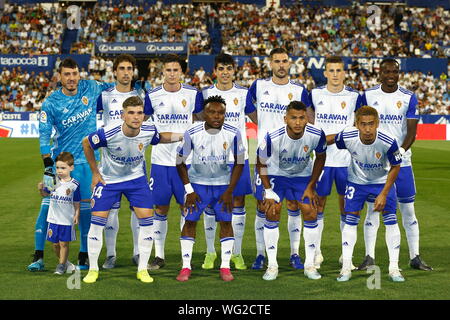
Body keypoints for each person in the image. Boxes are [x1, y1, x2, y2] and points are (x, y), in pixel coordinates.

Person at [81, 96, 183, 283]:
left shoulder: (148, 129)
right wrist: (95, 172)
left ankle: (142, 269)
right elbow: (86, 143)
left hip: (136, 180)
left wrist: (182, 136)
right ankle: (93, 269)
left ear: (144, 115)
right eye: (131, 113)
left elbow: (161, 138)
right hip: (109, 181)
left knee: (147, 222)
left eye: (139, 113)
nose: (136, 117)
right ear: (122, 115)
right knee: (97, 222)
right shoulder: (108, 133)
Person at [28, 57, 114, 272]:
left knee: (86, 210)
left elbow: (118, 87)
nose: (72, 78)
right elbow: (44, 135)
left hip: (87, 162)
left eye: (74, 74)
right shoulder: (51, 102)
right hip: (61, 164)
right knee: (47, 209)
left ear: (79, 74)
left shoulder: (91, 87)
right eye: (67, 74)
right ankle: (38, 256)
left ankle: (83, 255)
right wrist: (48, 166)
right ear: (60, 76)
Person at [358, 58, 432, 271]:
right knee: (373, 210)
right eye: (387, 71)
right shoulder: (368, 96)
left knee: (408, 211)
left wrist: (398, 153)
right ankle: (369, 257)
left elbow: (411, 132)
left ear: (399, 73)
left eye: (395, 71)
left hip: (402, 163)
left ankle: (415, 256)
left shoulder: (408, 97)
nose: (391, 75)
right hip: (374, 164)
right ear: (380, 72)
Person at [246, 47, 311, 270]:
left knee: (294, 205)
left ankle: (294, 253)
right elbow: (250, 111)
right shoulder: (259, 86)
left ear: (289, 63)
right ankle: (261, 254)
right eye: (277, 61)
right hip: (267, 158)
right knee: (263, 206)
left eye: (284, 61)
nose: (281, 65)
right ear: (270, 64)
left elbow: (307, 119)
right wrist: (266, 128)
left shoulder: (300, 90)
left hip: (293, 158)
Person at [327, 105, 404, 282]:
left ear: (377, 123)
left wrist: (384, 193)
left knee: (391, 220)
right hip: (357, 182)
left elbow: (396, 166)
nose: (367, 129)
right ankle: (346, 267)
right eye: (363, 124)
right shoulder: (348, 135)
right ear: (357, 124)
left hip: (381, 182)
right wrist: (311, 141)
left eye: (371, 124)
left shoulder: (388, 140)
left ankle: (394, 268)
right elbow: (331, 140)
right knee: (350, 220)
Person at [175, 95, 245, 282]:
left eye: (221, 112)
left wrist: (230, 190)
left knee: (226, 222)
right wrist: (189, 189)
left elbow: (240, 162)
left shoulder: (234, 132)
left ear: (225, 114)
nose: (216, 116)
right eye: (212, 112)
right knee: (189, 222)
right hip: (198, 185)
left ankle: (224, 266)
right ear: (204, 114)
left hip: (222, 185)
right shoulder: (193, 131)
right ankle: (186, 267)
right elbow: (179, 161)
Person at [256, 101, 326, 281]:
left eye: (302, 118)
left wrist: (311, 185)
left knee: (311, 211)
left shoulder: (316, 135)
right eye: (293, 118)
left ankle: (309, 265)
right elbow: (260, 162)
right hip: (276, 174)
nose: (297, 122)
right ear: (285, 119)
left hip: (302, 176)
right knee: (272, 211)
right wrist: (268, 190)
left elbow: (320, 157)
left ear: (307, 119)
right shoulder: (273, 136)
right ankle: (272, 266)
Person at [200, 53, 258, 271]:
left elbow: (257, 119)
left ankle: (237, 253)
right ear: (215, 71)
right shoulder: (205, 93)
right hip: (209, 158)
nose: (225, 72)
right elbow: (197, 123)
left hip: (237, 158)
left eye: (228, 68)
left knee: (238, 204)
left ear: (235, 70)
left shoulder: (243, 94)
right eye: (221, 68)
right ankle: (210, 252)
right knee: (208, 204)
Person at [147, 53, 204, 270]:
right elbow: (142, 123)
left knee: (186, 206)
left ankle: (185, 256)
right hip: (160, 162)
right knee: (160, 208)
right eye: (168, 70)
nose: (172, 74)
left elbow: (200, 121)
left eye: (175, 70)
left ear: (182, 72)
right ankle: (159, 255)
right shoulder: (152, 95)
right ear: (162, 71)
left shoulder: (192, 94)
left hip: (186, 162)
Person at [96, 54, 152, 269]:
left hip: (136, 162)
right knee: (111, 210)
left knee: (138, 210)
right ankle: (111, 254)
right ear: (115, 72)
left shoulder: (141, 94)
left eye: (130, 68)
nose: (126, 72)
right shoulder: (105, 95)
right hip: (110, 162)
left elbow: (145, 123)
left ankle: (138, 253)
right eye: (122, 68)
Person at [309, 56, 362, 269]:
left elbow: (359, 123)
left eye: (338, 70)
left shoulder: (354, 96)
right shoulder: (314, 94)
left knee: (347, 207)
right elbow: (308, 118)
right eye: (331, 70)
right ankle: (317, 253)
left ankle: (345, 256)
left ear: (344, 72)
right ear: (325, 73)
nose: (335, 74)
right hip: (322, 161)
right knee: (318, 206)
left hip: (346, 160)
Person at [45, 152, 80, 275]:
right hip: (53, 219)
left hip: (66, 219)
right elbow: (45, 194)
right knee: (55, 245)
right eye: (58, 167)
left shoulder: (74, 184)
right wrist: (41, 189)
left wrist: (76, 214)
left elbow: (76, 201)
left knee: (64, 243)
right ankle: (66, 263)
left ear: (71, 167)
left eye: (63, 168)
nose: (59, 171)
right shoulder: (52, 180)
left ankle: (60, 266)